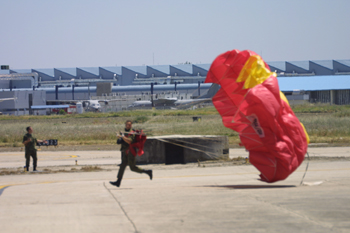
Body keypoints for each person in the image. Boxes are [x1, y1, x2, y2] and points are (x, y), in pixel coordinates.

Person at [110, 120, 152, 187]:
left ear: (131, 125)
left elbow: (129, 141)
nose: (128, 126)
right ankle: (118, 181)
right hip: (126, 151)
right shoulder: (125, 132)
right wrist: (121, 137)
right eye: (127, 124)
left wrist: (122, 137)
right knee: (122, 165)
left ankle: (147, 172)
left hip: (131, 151)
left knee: (132, 168)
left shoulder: (132, 133)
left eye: (129, 125)